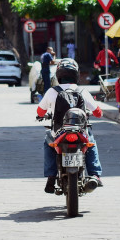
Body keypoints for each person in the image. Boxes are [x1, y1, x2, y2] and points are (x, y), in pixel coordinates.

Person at [36, 59, 103, 193]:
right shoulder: (82, 91)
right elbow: (99, 113)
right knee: (91, 143)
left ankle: (51, 177)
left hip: (59, 132)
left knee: (48, 142)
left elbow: (40, 112)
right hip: (80, 131)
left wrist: (47, 113)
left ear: (59, 75)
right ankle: (95, 175)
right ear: (76, 75)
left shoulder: (51, 91)